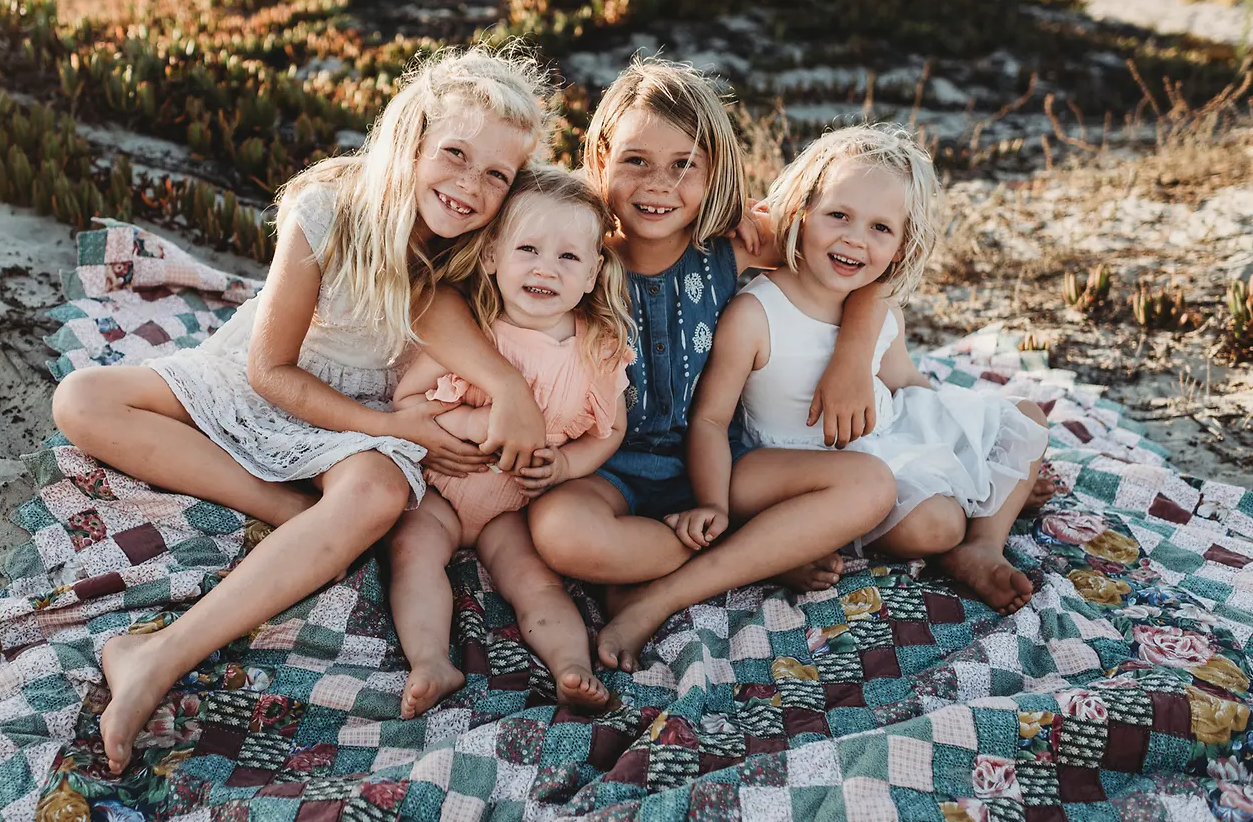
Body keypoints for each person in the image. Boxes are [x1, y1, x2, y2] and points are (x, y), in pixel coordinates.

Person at [51, 45, 555, 775]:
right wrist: (392, 428)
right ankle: (288, 514)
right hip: (265, 384)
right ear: (411, 139)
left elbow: (475, 340)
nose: (469, 185)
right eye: (454, 153)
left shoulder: (455, 259)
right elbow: (268, 369)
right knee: (83, 398)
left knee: (381, 490)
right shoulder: (328, 211)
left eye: (496, 175)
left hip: (348, 420)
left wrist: (511, 394)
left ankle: (159, 655)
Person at [523, 57, 895, 674]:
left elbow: (864, 263)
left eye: (683, 166)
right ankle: (757, 553)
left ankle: (660, 592)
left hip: (723, 460)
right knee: (561, 534)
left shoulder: (735, 243)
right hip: (603, 466)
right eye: (636, 160)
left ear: (714, 170)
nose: (658, 185)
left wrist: (854, 357)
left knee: (869, 484)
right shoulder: (573, 247)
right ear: (600, 159)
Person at [683, 124, 1050, 625]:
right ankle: (960, 532)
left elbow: (909, 387)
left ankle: (985, 544)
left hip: (887, 441)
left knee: (1025, 418)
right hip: (800, 467)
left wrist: (976, 452)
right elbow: (711, 418)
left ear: (900, 246)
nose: (855, 239)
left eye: (880, 228)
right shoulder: (756, 314)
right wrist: (714, 503)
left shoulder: (880, 311)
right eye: (838, 215)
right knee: (937, 526)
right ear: (802, 214)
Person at [386, 165, 633, 718]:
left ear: (593, 273)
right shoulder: (472, 329)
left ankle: (571, 665)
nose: (547, 268)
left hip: (512, 509)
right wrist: (470, 423)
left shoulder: (598, 350)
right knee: (412, 552)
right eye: (529, 249)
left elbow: (610, 429)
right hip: (440, 493)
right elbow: (406, 403)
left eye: (569, 257)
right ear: (493, 256)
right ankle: (430, 660)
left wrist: (567, 466)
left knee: (536, 582)